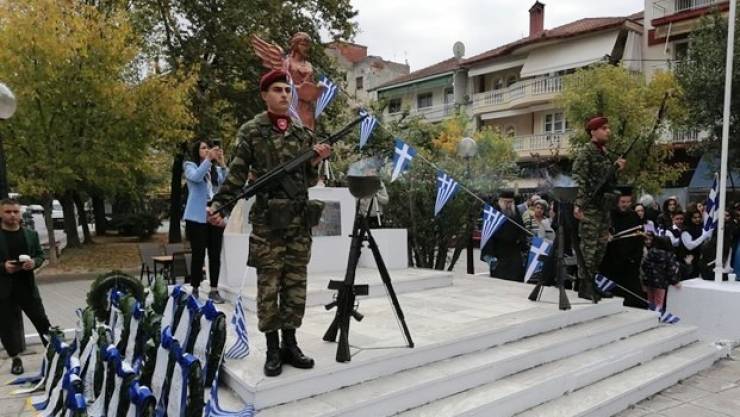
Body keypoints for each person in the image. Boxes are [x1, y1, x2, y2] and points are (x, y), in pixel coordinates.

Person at [208, 69, 331, 377]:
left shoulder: (303, 134)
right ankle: (273, 349)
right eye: (277, 90)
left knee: (295, 287)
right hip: (268, 226)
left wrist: (315, 161)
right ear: (264, 95)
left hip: (298, 224)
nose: (284, 95)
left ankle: (291, 344)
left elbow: (309, 180)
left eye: (287, 90)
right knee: (268, 288)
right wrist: (219, 204)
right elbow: (237, 174)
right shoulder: (252, 131)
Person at [572, 116, 626, 301]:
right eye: (603, 128)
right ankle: (584, 285)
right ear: (593, 131)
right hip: (590, 209)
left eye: (608, 128)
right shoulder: (586, 152)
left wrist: (616, 168)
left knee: (601, 248)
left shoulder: (605, 153)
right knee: (589, 248)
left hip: (603, 209)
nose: (607, 131)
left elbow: (606, 180)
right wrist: (578, 205)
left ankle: (592, 282)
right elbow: (580, 180)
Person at [0, 199, 51, 375]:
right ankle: (15, 359)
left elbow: (40, 255)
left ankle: (53, 353)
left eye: (15, 211)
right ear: (1, 213)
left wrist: (34, 263)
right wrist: (3, 267)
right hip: (4, 290)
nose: (12, 215)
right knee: (6, 327)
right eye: (8, 212)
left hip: (27, 287)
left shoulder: (30, 234)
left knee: (42, 321)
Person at [183, 140, 228, 303]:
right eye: (203, 148)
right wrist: (208, 160)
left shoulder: (214, 170)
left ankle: (214, 289)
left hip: (214, 213)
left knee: (215, 253)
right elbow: (196, 178)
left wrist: (222, 163)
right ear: (197, 151)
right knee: (198, 253)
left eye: (208, 148)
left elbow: (228, 184)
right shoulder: (190, 166)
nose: (207, 150)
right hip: (197, 216)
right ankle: (195, 288)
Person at [601, 191, 646, 308]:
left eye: (628, 202)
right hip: (610, 261)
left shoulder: (634, 216)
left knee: (634, 297)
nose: (625, 205)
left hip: (629, 262)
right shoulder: (609, 215)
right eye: (623, 202)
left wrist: (635, 258)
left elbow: (639, 238)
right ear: (617, 202)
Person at [480, 189, 527, 281]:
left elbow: (521, 229)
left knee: (517, 277)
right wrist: (490, 255)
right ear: (501, 201)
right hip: (499, 252)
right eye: (506, 202)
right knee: (500, 278)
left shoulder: (515, 211)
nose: (509, 204)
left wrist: (522, 240)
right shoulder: (494, 212)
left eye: (511, 202)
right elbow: (488, 234)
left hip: (514, 251)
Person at [641, 235, 687, 311]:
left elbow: (644, 266)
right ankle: (656, 317)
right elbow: (671, 271)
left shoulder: (651, 252)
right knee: (659, 302)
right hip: (660, 282)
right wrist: (675, 282)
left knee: (650, 301)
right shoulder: (669, 255)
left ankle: (649, 315)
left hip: (648, 280)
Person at [681, 207, 711, 278]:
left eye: (699, 217)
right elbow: (689, 246)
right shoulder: (686, 230)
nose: (697, 219)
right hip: (688, 261)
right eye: (694, 217)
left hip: (698, 261)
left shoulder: (700, 228)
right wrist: (703, 236)